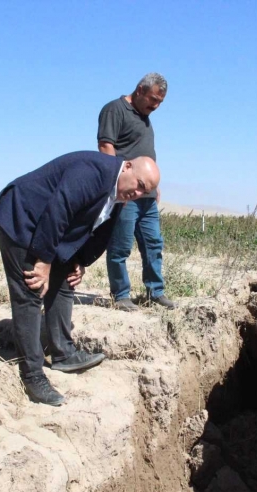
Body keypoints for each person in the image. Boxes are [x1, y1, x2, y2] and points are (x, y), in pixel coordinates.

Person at [0, 151, 161, 406]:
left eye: (142, 193)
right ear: (127, 167)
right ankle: (32, 374)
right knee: (31, 290)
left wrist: (78, 261)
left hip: (44, 227)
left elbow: (96, 230)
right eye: (138, 185)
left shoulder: (118, 194)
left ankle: (63, 352)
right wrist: (44, 260)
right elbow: (60, 210)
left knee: (65, 279)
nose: (136, 193)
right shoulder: (95, 171)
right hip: (21, 218)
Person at [98, 72, 176, 312]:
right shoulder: (115, 109)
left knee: (153, 244)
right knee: (120, 246)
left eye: (160, 102)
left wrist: (154, 185)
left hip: (148, 197)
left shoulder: (146, 119)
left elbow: (146, 156)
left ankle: (155, 292)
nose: (156, 106)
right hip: (127, 193)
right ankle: (121, 295)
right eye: (153, 99)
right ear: (140, 90)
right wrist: (115, 186)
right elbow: (105, 145)